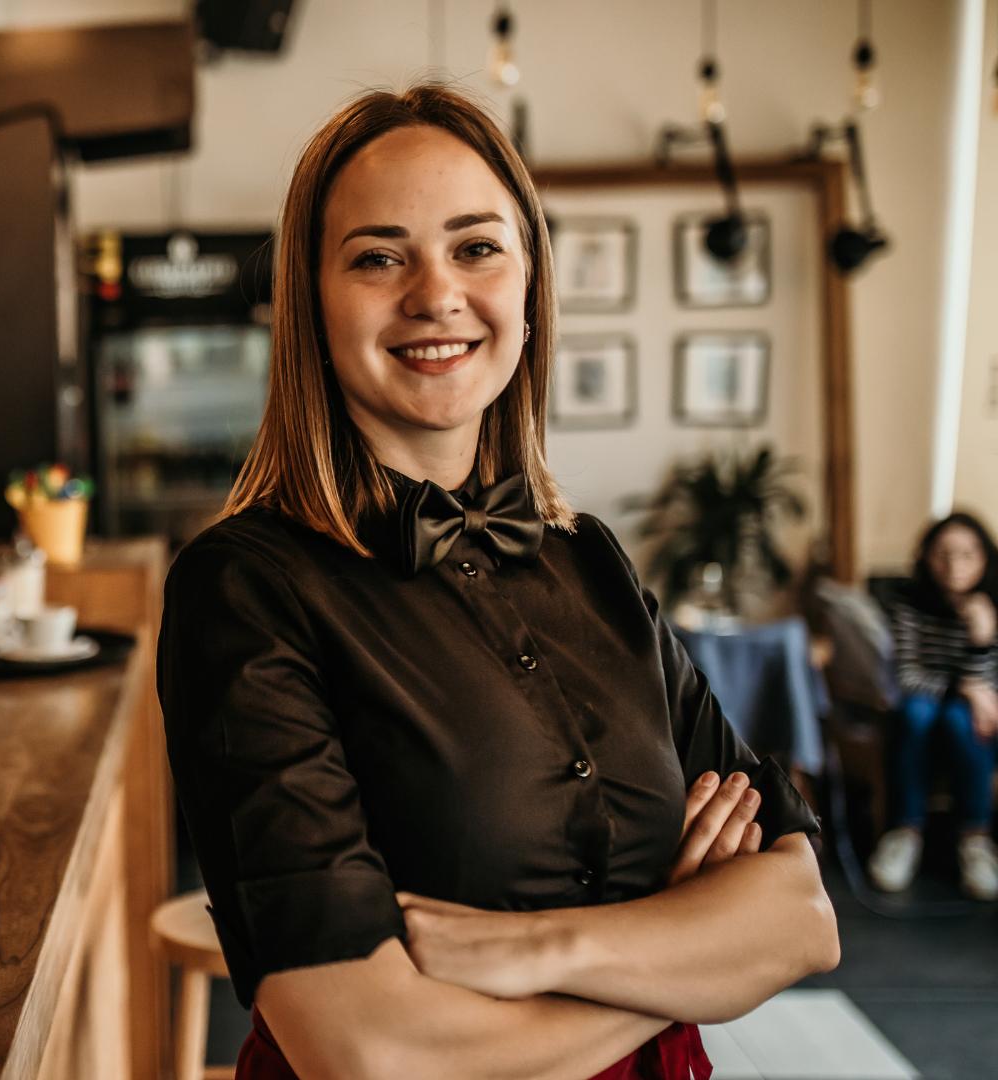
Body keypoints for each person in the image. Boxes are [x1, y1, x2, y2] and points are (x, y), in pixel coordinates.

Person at [157, 83, 840, 1080]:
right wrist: (679, 949)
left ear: (528, 284)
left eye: (476, 247)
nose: (435, 293)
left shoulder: (593, 559)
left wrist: (541, 950)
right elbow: (373, 1052)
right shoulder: (244, 591)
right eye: (378, 257)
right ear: (312, 301)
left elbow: (802, 917)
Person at [866, 512, 998, 900]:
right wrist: (965, 687)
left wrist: (980, 638)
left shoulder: (992, 604)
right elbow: (907, 676)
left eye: (967, 555)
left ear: (985, 559)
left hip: (972, 716)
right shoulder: (910, 604)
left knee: (960, 720)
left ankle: (975, 839)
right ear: (926, 557)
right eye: (943, 554)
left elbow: (990, 687)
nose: (954, 565)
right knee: (916, 712)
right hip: (926, 708)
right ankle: (905, 832)